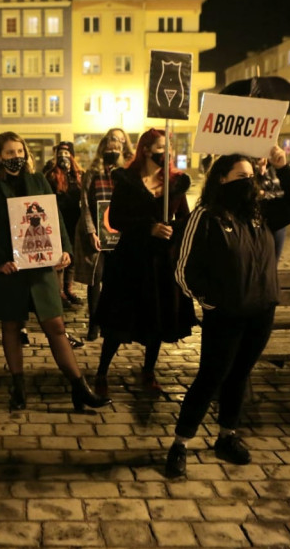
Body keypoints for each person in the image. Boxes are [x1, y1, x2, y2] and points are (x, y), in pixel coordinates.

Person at [167, 146, 290, 478]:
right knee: (211, 378)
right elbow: (183, 269)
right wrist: (210, 302)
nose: (248, 181)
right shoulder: (206, 215)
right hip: (226, 315)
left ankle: (227, 436)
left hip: (261, 311)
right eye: (240, 176)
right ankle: (180, 443)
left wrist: (284, 166)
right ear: (222, 179)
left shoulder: (261, 212)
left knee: (240, 375)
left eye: (251, 176)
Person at [0, 131, 110, 412]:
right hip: (10, 270)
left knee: (56, 327)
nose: (15, 157)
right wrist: (0, 259)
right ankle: (18, 389)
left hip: (40, 268)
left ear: (25, 154)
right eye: (8, 153)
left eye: (19, 152)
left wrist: (64, 249)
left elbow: (55, 217)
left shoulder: (38, 180)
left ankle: (79, 387)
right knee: (11, 327)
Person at [92, 129, 197, 398]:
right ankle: (102, 370)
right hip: (131, 260)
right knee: (119, 319)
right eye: (162, 147)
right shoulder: (127, 180)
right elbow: (115, 219)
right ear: (147, 150)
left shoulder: (175, 183)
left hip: (162, 261)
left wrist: (172, 228)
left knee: (156, 319)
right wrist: (147, 228)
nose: (167, 152)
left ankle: (148, 370)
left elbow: (185, 219)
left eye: (169, 147)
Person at [73, 132, 125, 341]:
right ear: (102, 150)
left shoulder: (124, 174)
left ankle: (109, 323)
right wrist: (91, 231)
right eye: (109, 149)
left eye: (116, 150)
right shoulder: (91, 173)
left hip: (118, 233)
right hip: (96, 231)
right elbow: (85, 203)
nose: (112, 152)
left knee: (113, 281)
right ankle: (94, 324)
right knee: (95, 280)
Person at [45, 141, 84, 312]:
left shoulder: (79, 175)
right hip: (57, 219)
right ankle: (59, 291)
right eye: (60, 153)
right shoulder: (51, 175)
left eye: (67, 154)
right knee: (60, 256)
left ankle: (69, 289)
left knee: (72, 256)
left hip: (74, 220)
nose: (63, 157)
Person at [256, 156, 286, 259]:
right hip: (253, 220)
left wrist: (264, 194)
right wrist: (259, 174)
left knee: (273, 259)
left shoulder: (277, 168)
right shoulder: (245, 166)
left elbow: (285, 193)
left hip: (276, 219)